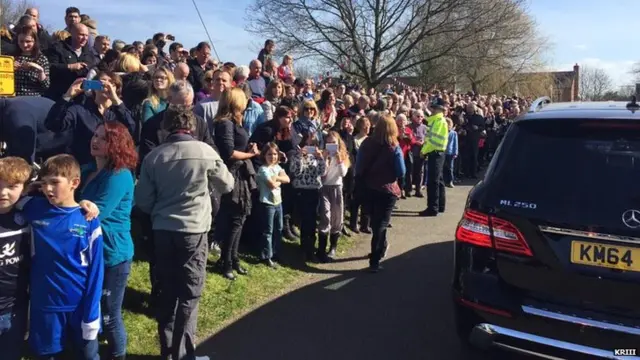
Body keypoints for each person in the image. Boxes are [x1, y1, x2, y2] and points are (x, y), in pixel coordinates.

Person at [135, 105, 234, 360]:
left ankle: (168, 352)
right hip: (193, 229)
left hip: (163, 229)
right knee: (190, 292)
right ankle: (184, 355)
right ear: (192, 126)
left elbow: (143, 201)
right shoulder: (205, 151)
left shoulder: (154, 156)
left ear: (166, 127)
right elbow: (227, 184)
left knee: (167, 291)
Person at [16, 154, 103, 359]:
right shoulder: (34, 209)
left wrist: (91, 315)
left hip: (80, 306)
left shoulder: (88, 220)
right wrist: (29, 189)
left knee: (87, 355)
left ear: (75, 182)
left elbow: (96, 271)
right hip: (45, 306)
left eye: (55, 182)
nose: (48, 189)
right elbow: (8, 201)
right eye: (44, 183)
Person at [78, 122, 137, 360]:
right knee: (92, 307)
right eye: (94, 135)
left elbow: (97, 212)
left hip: (113, 253)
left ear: (115, 144)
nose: (95, 140)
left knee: (110, 313)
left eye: (102, 138)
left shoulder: (119, 175)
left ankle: (117, 354)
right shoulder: (88, 169)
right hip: (90, 251)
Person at [355, 115, 405, 272]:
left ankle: (380, 248)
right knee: (381, 224)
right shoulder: (394, 147)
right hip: (387, 189)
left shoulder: (367, 143)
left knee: (376, 222)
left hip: (369, 187)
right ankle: (375, 260)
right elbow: (401, 171)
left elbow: (359, 167)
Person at [0, 157, 33, 360]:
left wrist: (86, 203)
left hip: (15, 308)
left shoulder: (29, 215)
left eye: (12, 186)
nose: (3, 193)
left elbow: (64, 208)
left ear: (25, 188)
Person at [256, 142, 290, 267]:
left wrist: (277, 178)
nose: (273, 157)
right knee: (268, 230)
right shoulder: (263, 169)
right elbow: (271, 185)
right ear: (264, 155)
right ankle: (266, 255)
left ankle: (276, 252)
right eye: (269, 154)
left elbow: (287, 179)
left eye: (275, 154)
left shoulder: (277, 168)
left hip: (278, 202)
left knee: (279, 228)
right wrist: (278, 179)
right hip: (267, 203)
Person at [318, 131, 349, 261]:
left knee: (337, 217)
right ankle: (321, 249)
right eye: (328, 143)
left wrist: (339, 159)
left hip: (336, 188)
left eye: (333, 143)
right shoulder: (323, 155)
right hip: (325, 188)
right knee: (325, 215)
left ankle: (333, 247)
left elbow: (343, 173)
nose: (331, 145)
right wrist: (324, 158)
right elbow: (322, 173)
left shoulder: (342, 156)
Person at [419, 98, 449, 216]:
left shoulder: (439, 121)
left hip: (435, 152)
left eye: (434, 108)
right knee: (439, 180)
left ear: (439, 109)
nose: (432, 110)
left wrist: (423, 151)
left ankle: (432, 208)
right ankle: (440, 206)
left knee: (433, 181)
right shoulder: (436, 120)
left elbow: (432, 141)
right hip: (438, 153)